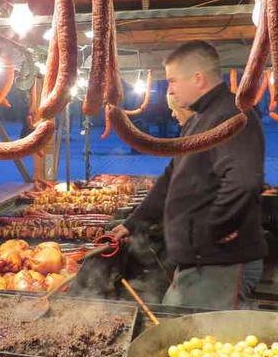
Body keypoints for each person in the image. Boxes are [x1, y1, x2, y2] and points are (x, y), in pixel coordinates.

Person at [111, 41, 266, 309]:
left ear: (197, 78)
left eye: (172, 81)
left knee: (198, 337)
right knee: (177, 325)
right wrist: (133, 223)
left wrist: (217, 228)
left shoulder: (232, 115)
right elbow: (173, 176)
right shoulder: (198, 119)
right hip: (201, 261)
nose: (169, 89)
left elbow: (243, 180)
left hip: (221, 263)